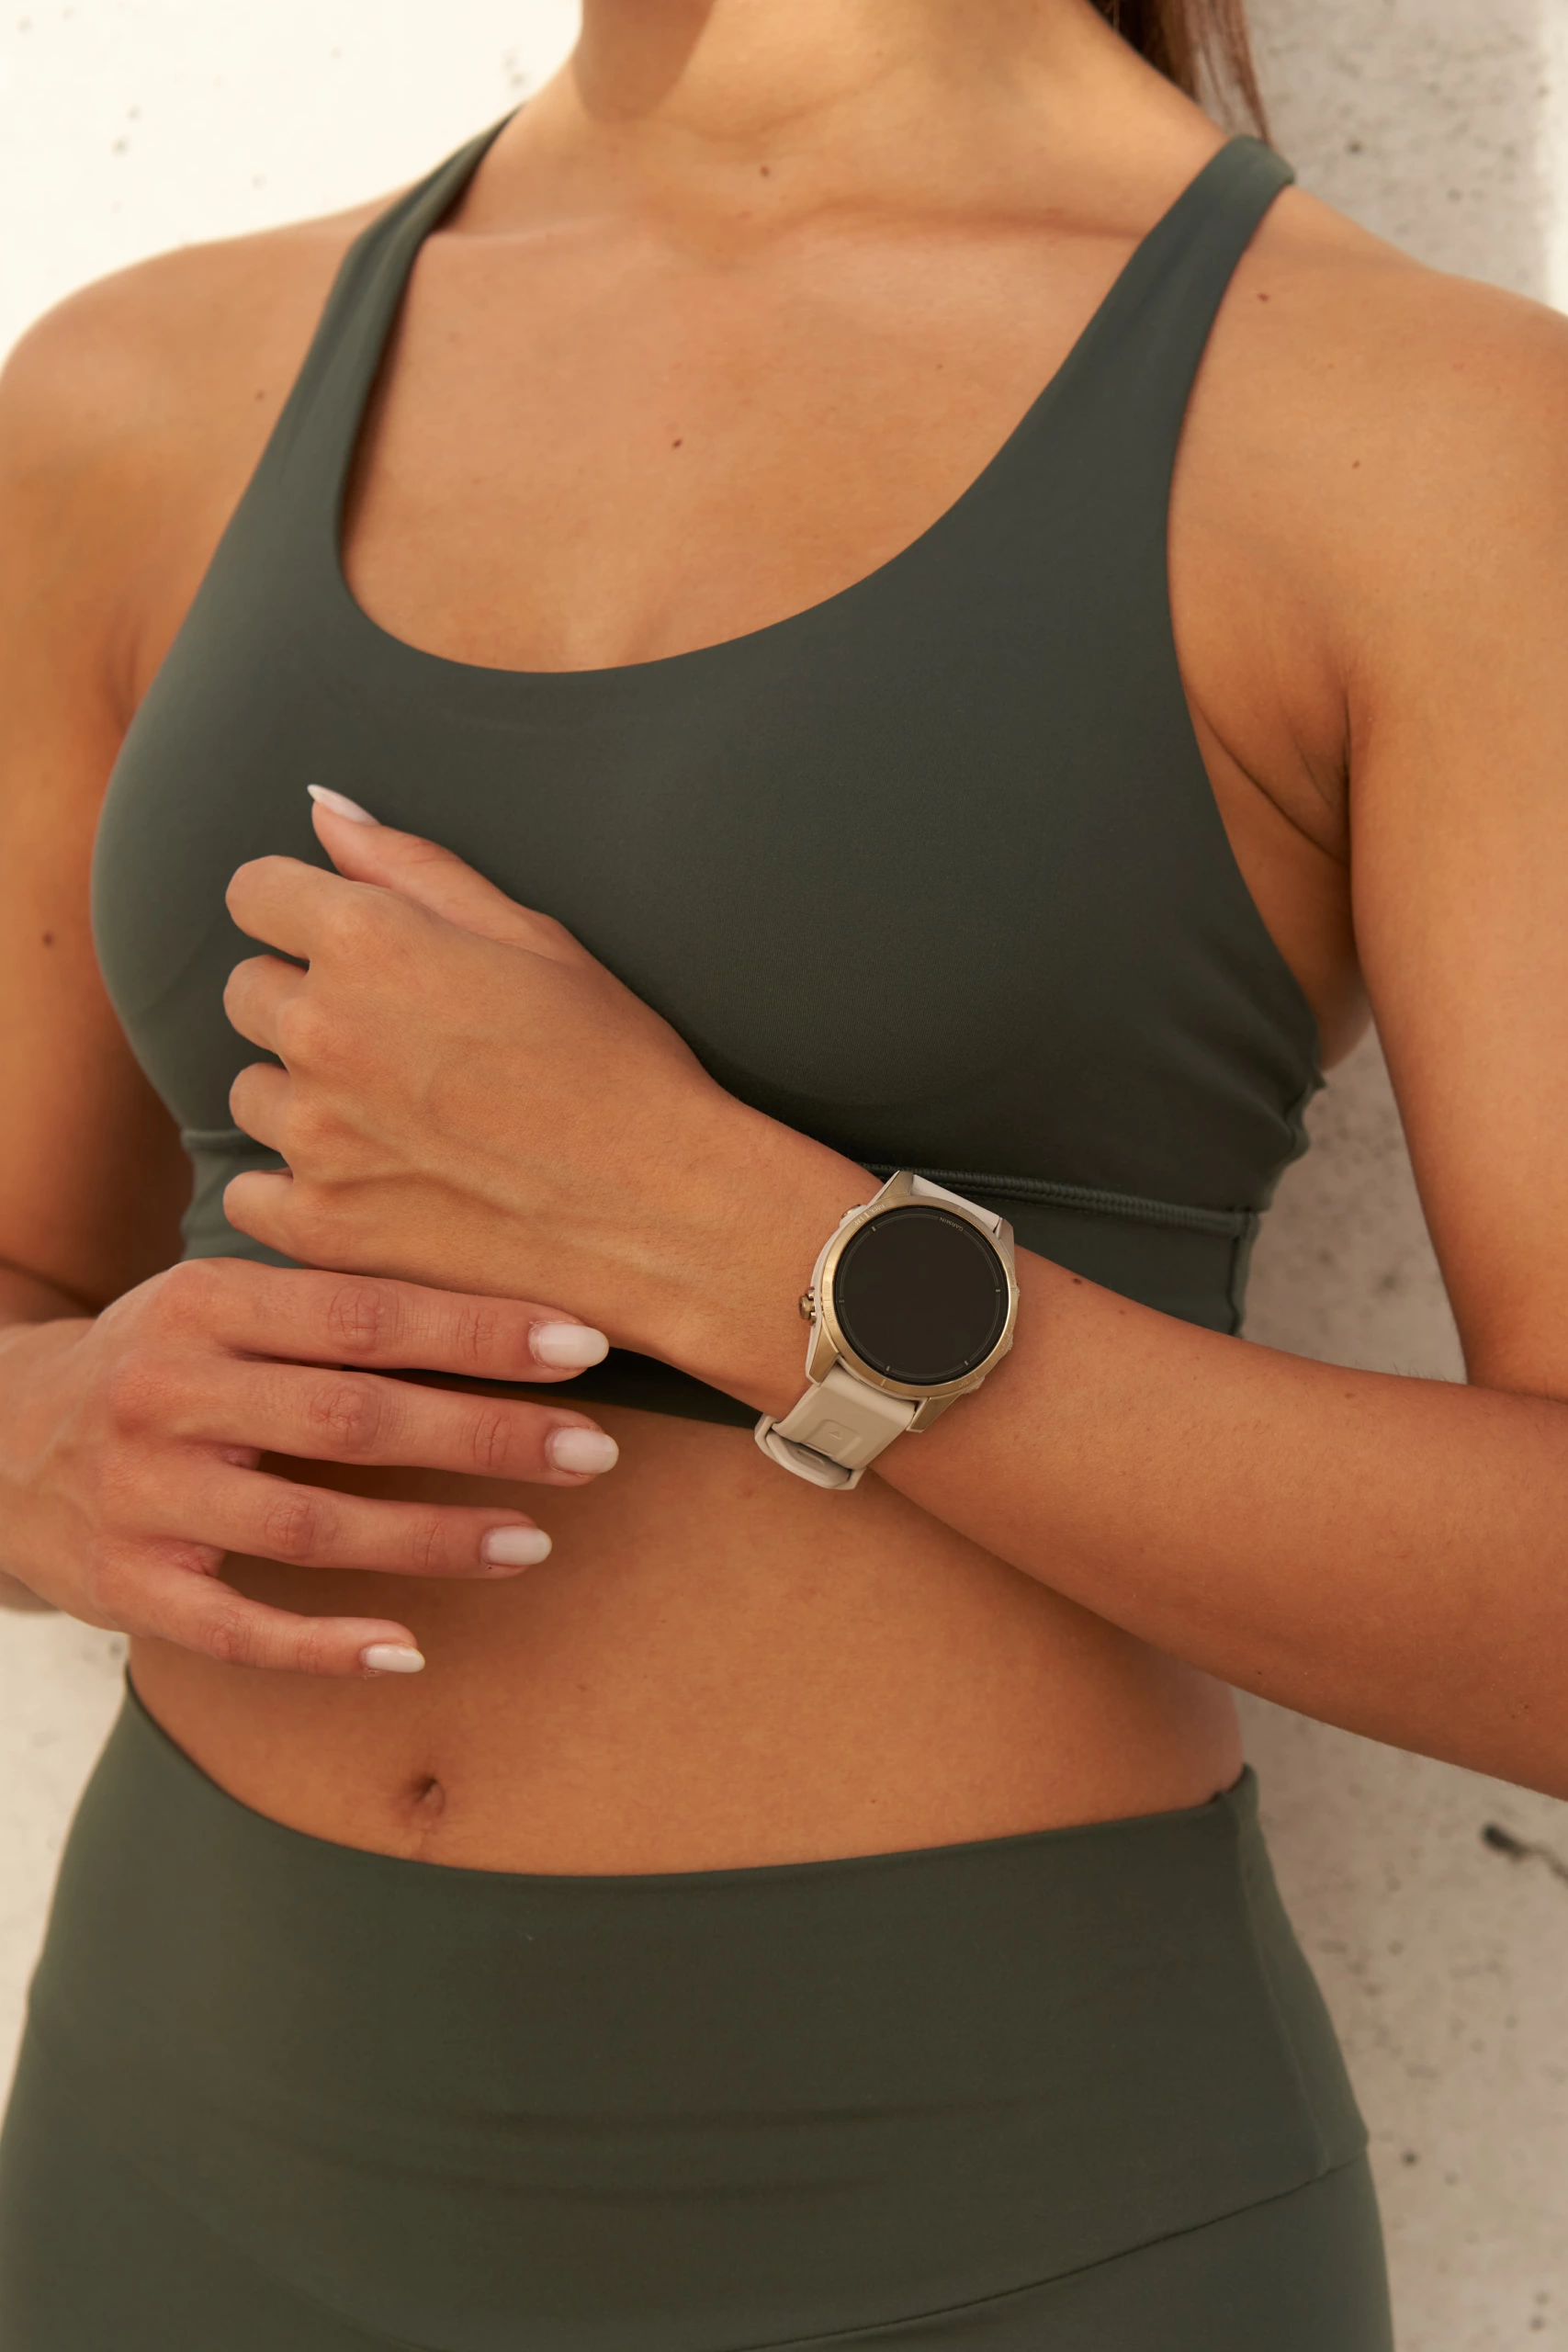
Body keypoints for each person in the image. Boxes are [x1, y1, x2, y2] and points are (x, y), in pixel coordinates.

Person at [1, 0, 1565, 2341]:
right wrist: (30, 1441)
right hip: (168, 2179)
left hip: (1010, 2241)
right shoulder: (134, 392)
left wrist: (751, 1253)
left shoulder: (1418, 431)